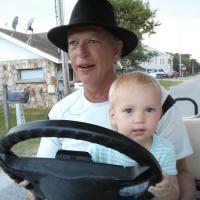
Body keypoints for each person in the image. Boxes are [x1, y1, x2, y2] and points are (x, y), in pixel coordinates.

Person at [35, 0, 195, 199]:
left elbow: (181, 172)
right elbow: (41, 179)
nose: (80, 52)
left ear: (116, 51)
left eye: (92, 41)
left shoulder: (155, 101)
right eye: (73, 43)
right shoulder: (60, 113)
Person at [90, 71, 179, 199]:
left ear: (159, 114)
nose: (139, 119)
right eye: (128, 110)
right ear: (113, 116)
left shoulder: (164, 150)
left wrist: (167, 191)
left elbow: (174, 195)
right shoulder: (100, 150)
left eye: (149, 110)